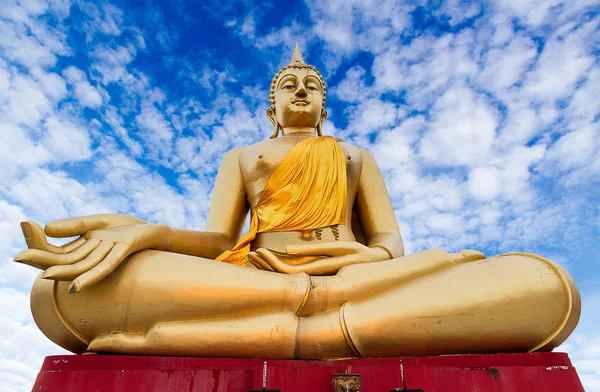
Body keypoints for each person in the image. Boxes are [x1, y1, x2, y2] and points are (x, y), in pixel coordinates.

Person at [15, 46, 580, 359]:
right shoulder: (242, 156)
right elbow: (216, 243)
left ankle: (302, 324)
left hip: (356, 275)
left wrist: (338, 266)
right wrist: (148, 233)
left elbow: (390, 247)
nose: (302, 89)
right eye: (290, 84)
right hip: (254, 277)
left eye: (311, 83)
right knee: (65, 288)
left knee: (544, 286)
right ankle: (333, 323)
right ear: (272, 106)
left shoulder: (354, 155)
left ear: (324, 105)